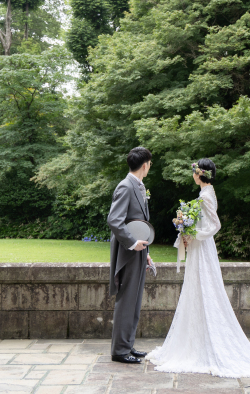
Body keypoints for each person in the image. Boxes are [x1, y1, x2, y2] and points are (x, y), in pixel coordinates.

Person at [146, 158, 250, 377]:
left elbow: (215, 225)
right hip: (199, 248)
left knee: (205, 288)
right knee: (196, 290)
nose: (192, 175)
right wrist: (187, 230)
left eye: (194, 172)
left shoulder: (205, 196)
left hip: (203, 249)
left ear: (199, 174)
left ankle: (206, 342)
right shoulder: (206, 192)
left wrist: (193, 234)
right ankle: (197, 339)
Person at [107, 146, 154, 364]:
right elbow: (114, 220)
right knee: (126, 300)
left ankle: (127, 344)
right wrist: (134, 243)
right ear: (145, 164)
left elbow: (141, 224)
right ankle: (119, 351)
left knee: (134, 301)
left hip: (138, 251)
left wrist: (146, 253)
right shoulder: (126, 186)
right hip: (127, 251)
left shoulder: (139, 186)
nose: (150, 167)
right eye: (150, 163)